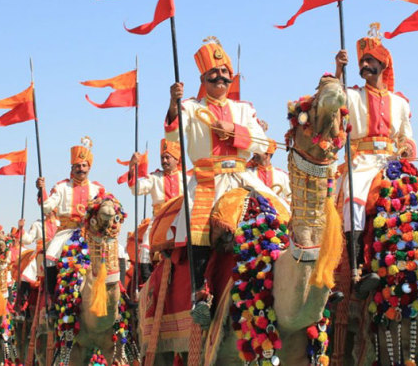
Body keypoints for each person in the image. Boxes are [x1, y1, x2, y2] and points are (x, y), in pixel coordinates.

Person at [165, 36, 288, 324]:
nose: (220, 77)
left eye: (224, 73)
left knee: (281, 210)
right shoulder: (190, 107)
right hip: (208, 179)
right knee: (195, 222)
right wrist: (173, 103)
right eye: (213, 73)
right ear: (203, 79)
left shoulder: (244, 109)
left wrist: (233, 130)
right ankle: (199, 294)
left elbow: (261, 143)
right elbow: (172, 135)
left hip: (243, 176)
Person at [334, 24, 415, 293]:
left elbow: (407, 137)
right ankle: (357, 269)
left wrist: (406, 149)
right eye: (362, 61)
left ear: (383, 64)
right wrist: (338, 70)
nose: (365, 65)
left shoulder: (400, 103)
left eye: (370, 60)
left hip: (392, 162)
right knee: (353, 200)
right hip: (361, 162)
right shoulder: (351, 95)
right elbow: (330, 100)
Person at [36, 137, 129, 302]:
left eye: (84, 166)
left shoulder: (97, 188)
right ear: (72, 168)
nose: (81, 169)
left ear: (89, 167)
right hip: (67, 231)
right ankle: (53, 301)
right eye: (77, 166)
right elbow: (46, 207)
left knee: (120, 251)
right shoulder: (61, 187)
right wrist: (41, 190)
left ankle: (121, 295)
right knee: (50, 257)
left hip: (92, 231)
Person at [125, 138, 184, 281]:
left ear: (177, 159)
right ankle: (147, 284)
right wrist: (132, 167)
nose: (164, 161)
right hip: (158, 220)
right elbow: (136, 189)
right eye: (162, 158)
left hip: (180, 219)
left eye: (167, 157)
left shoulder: (186, 178)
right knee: (145, 249)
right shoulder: (154, 178)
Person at [246, 138, 292, 206]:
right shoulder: (247, 173)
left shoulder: (282, 175)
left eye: (257, 151)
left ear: (267, 155)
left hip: (277, 210)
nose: (254, 154)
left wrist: (282, 203)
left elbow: (290, 196)